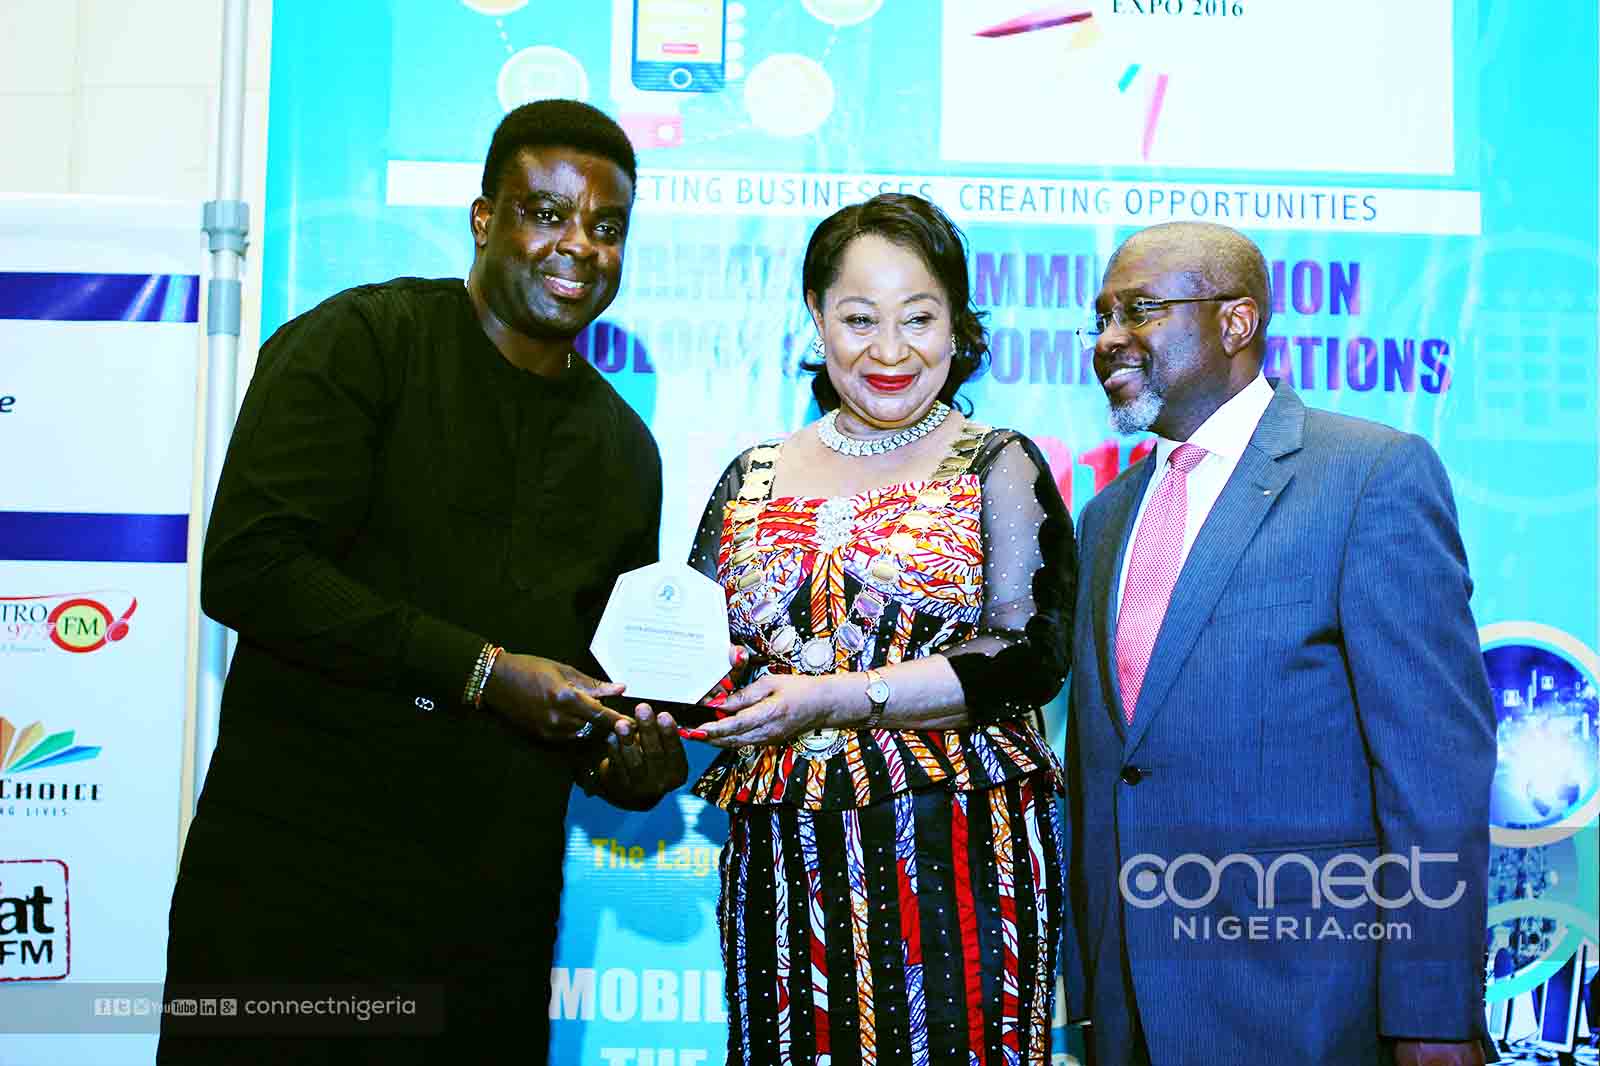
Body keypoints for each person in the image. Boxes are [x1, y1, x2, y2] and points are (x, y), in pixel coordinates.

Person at [159, 99, 688, 1064]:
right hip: (291, 899)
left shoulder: (623, 450)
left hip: (486, 931)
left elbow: (585, 686)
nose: (579, 246)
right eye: (546, 213)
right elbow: (250, 567)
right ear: (483, 220)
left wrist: (625, 761)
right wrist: (481, 671)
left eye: (607, 227)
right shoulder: (360, 344)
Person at [1063, 221, 1497, 1065]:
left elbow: (1433, 766)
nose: (1110, 339)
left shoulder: (1369, 475)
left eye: (1140, 311)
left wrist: (1434, 1010)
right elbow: (1108, 766)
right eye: (1103, 317)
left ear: (1237, 322)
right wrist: (1092, 986)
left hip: (1309, 1002)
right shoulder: (1107, 516)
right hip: (1132, 1010)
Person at [686, 193, 1076, 1065]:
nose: (890, 351)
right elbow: (699, 655)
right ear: (817, 315)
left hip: (961, 848)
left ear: (956, 323)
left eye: (919, 318)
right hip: (781, 854)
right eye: (860, 318)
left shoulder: (996, 463)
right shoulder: (753, 475)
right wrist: (645, 709)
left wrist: (836, 697)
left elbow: (1028, 657)